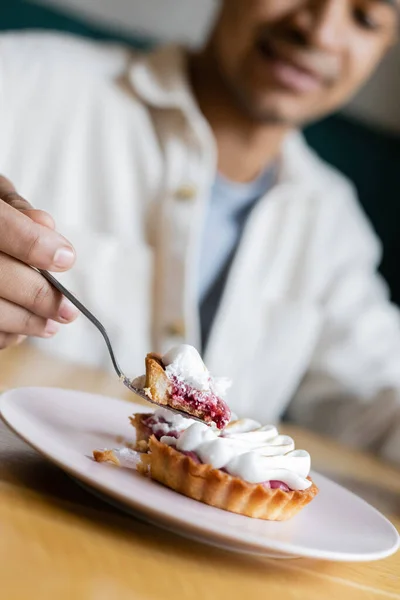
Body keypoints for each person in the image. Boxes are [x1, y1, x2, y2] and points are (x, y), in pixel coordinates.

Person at [0, 0, 399, 461]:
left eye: (365, 17)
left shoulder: (334, 227)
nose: (321, 33)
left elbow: (379, 401)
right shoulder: (25, 82)